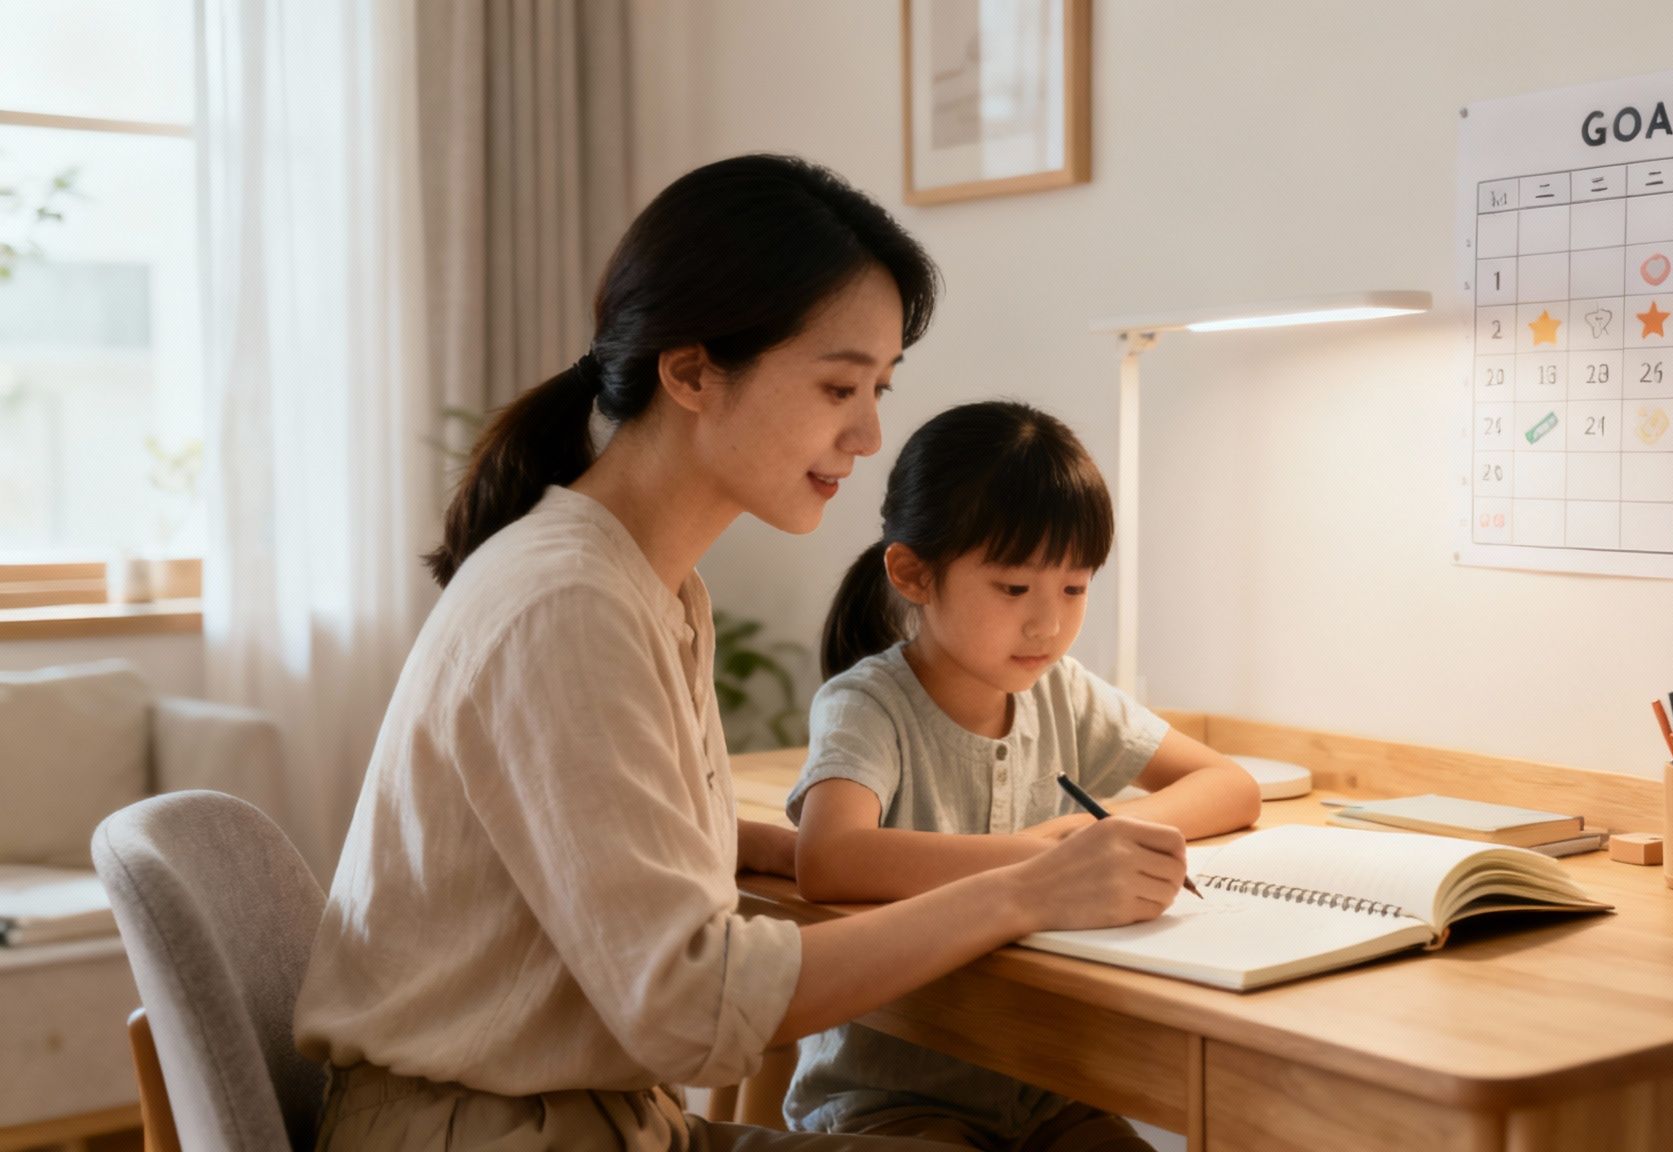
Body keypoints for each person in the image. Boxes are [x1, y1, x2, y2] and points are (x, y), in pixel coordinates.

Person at [291, 154, 1191, 1152]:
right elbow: (684, 1005)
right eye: (838, 385)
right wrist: (1024, 886)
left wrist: (750, 840)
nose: (867, 432)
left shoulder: (642, 581)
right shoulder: (570, 601)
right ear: (689, 371)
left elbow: (616, 845)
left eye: (879, 386)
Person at [783, 401, 1263, 1151]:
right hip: (890, 1096)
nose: (1049, 624)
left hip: (1047, 1093)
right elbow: (829, 859)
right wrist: (1047, 857)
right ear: (914, 573)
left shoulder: (1060, 691)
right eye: (1014, 590)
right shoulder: (869, 704)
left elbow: (1231, 786)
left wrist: (1086, 829)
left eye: (1073, 588)